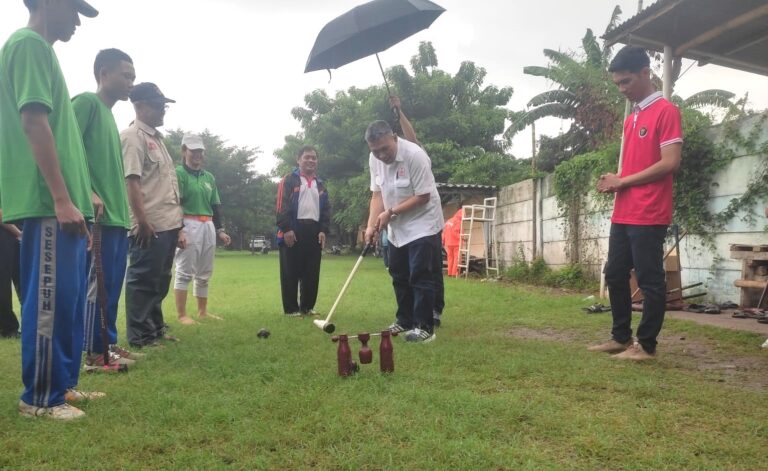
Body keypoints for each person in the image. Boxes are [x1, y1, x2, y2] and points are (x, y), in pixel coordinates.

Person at [0, 0, 102, 420]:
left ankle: (62, 385)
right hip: (47, 204)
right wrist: (60, 198)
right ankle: (39, 398)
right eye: (73, 9)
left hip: (65, 206)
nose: (77, 21)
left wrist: (80, 197)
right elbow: (33, 123)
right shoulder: (28, 44)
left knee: (69, 299)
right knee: (48, 300)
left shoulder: (42, 51)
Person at [589, 46, 683, 361]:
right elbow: (636, 165)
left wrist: (624, 181)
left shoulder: (666, 111)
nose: (622, 89)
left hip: (649, 212)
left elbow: (670, 162)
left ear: (646, 72)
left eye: (626, 82)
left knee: (650, 280)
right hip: (624, 211)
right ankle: (620, 337)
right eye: (618, 84)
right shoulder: (633, 118)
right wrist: (617, 178)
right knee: (614, 273)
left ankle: (647, 346)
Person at [72, 48, 140, 371]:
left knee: (111, 284)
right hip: (98, 216)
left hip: (117, 218)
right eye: (125, 75)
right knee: (97, 285)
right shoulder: (86, 103)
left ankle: (108, 343)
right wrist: (87, 192)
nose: (131, 82)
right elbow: (65, 147)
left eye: (133, 77)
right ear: (103, 73)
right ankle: (94, 353)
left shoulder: (110, 117)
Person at [364, 120, 444, 343]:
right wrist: (371, 225)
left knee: (419, 273)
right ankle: (405, 319)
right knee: (398, 273)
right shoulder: (374, 160)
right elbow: (377, 195)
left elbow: (423, 196)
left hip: (423, 221)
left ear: (394, 137)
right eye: (375, 150)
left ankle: (424, 326)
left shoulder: (414, 155)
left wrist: (390, 213)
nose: (381, 155)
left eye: (384, 148)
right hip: (397, 225)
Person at [121, 82, 185, 348]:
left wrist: (178, 224)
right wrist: (142, 221)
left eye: (164, 106)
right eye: (158, 106)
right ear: (140, 106)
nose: (163, 111)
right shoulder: (132, 136)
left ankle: (155, 328)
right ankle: (141, 336)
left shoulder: (156, 139)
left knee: (160, 279)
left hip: (168, 222)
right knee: (143, 278)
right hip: (150, 224)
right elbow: (132, 182)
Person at [389, 95, 445, 327]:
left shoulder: (416, 155)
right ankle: (408, 316)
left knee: (427, 269)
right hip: (402, 222)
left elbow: (411, 137)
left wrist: (399, 112)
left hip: (427, 219)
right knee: (405, 271)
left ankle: (433, 311)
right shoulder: (390, 161)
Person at [173, 134, 232, 324]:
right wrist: (179, 229)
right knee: (184, 270)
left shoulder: (209, 177)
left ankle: (202, 311)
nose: (197, 154)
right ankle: (182, 315)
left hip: (208, 225)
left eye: (200, 151)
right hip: (188, 223)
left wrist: (220, 230)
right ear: (184, 151)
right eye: (193, 150)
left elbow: (215, 206)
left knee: (205, 272)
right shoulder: (179, 173)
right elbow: (176, 203)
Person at [276, 146, 331, 316]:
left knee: (311, 272)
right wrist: (286, 229)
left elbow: (326, 209)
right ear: (298, 160)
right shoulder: (289, 180)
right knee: (290, 270)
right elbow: (281, 205)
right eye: (307, 157)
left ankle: (307, 307)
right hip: (293, 228)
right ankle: (291, 309)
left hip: (313, 230)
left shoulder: (320, 184)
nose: (311, 161)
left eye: (314, 158)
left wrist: (323, 230)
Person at [0, 208, 22, 338]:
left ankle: (10, 327)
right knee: (3, 283)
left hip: (14, 231)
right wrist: (18, 233)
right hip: (6, 232)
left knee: (23, 280)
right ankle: (8, 328)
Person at [443, 207, 463, 277]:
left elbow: (444, 232)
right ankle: (454, 273)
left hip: (448, 243)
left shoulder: (448, 221)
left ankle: (449, 273)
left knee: (450, 258)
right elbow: (456, 232)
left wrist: (443, 241)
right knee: (456, 259)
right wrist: (462, 238)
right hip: (456, 243)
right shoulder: (458, 222)